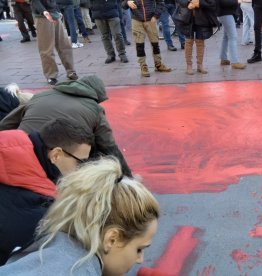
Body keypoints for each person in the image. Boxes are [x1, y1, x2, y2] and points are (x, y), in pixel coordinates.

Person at [0, 158, 160, 275]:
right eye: (139, 249)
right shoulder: (77, 270)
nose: (140, 259)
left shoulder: (55, 246)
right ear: (112, 239)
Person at [0, 118, 94, 265]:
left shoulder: (11, 151)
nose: (82, 170)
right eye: (81, 162)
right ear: (56, 155)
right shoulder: (38, 211)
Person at [0, 75, 133, 176]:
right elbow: (110, 147)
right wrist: (128, 178)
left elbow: (6, 124)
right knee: (94, 152)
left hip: (19, 153)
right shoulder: (95, 109)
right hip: (54, 163)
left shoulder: (41, 95)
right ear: (96, 96)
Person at [31, 0, 79, 85]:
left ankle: (71, 71)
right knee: (46, 49)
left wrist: (57, 10)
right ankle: (51, 75)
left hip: (54, 15)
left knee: (64, 45)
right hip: (42, 17)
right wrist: (43, 11)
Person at [122, 0, 171, 77]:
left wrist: (155, 16)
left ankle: (158, 64)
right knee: (139, 45)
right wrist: (127, 3)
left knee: (155, 43)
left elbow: (161, 2)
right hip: (137, 20)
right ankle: (143, 66)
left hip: (151, 19)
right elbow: (123, 4)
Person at [176, 0, 219, 75]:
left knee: (200, 41)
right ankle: (189, 65)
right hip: (187, 17)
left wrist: (200, 3)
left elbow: (213, 3)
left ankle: (200, 65)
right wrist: (187, 3)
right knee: (189, 41)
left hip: (202, 17)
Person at [217, 0, 246, 69]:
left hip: (224, 14)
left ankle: (223, 58)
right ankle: (234, 62)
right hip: (225, 14)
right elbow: (223, 2)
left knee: (226, 36)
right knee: (232, 37)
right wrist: (236, 1)